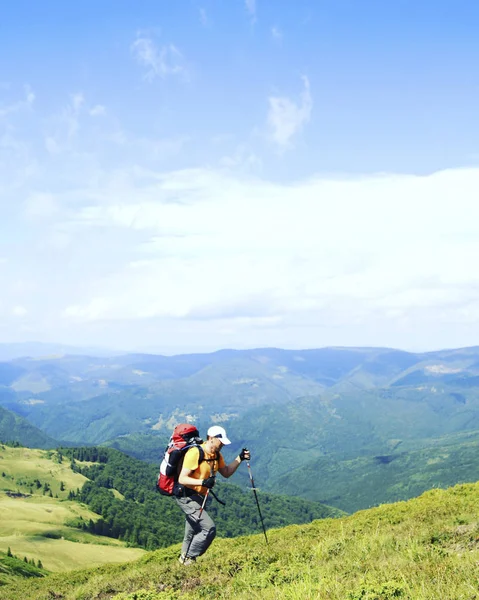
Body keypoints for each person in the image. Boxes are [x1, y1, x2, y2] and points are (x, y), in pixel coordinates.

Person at [175, 424, 250, 565]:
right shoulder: (195, 453)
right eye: (220, 441)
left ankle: (182, 566)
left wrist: (240, 458)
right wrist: (203, 482)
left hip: (199, 497)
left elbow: (226, 472)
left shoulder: (216, 455)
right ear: (210, 438)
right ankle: (188, 558)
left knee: (190, 533)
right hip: (186, 496)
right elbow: (182, 479)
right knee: (209, 528)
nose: (222, 445)